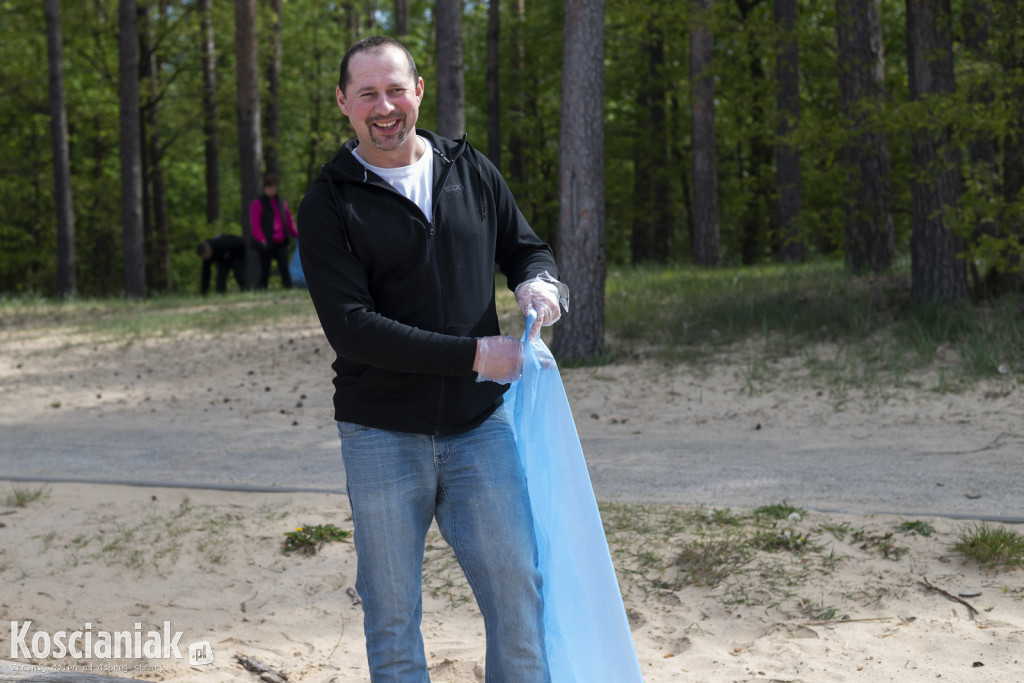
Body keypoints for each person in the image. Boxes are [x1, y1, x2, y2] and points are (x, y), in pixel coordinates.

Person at [297, 36, 567, 682]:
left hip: (481, 430)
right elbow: (355, 330)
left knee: (519, 595)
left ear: (419, 90)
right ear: (343, 102)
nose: (384, 106)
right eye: (367, 93)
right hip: (380, 433)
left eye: (396, 89)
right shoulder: (329, 202)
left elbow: (527, 248)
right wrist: (476, 354)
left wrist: (541, 283)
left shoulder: (470, 170)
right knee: (392, 619)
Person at [249, 174, 298, 289]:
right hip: (266, 242)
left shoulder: (281, 202)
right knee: (265, 267)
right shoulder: (257, 204)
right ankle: (262, 288)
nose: (272, 190)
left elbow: (289, 221)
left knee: (284, 266)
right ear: (264, 188)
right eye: (270, 188)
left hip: (280, 241)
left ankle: (288, 288)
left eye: (274, 188)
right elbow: (255, 224)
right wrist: (261, 239)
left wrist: (297, 235)